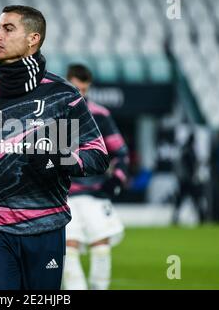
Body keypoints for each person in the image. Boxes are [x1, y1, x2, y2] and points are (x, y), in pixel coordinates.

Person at [0, 6, 110, 290]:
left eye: (8, 28)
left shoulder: (64, 95)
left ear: (33, 38)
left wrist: (59, 160)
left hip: (47, 226)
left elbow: (98, 154)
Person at [62, 64, 129, 290]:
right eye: (75, 88)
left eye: (83, 89)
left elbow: (120, 151)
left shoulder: (100, 115)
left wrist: (117, 179)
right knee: (68, 250)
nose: (79, 94)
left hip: (95, 193)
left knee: (101, 247)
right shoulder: (53, 113)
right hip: (63, 195)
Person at [172, 133, 206, 225]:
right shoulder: (189, 151)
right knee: (195, 199)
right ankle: (201, 218)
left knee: (180, 200)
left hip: (183, 180)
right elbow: (191, 166)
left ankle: (175, 218)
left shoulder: (184, 150)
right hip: (188, 181)